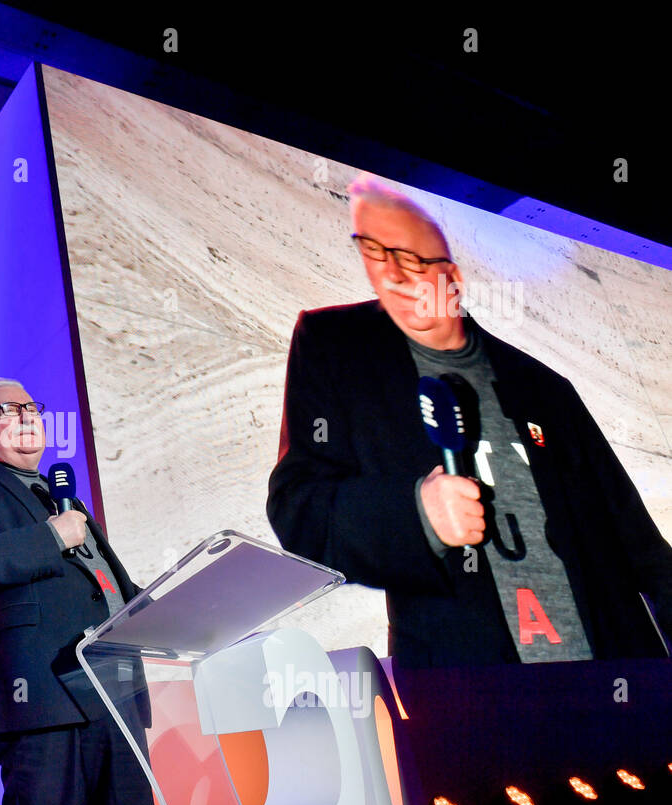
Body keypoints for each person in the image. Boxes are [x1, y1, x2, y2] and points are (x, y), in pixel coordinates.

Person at [267, 174, 672, 669]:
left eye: (413, 258)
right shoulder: (337, 347)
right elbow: (301, 512)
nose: (394, 274)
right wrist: (418, 514)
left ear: (454, 279)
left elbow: (639, 547)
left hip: (608, 674)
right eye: (375, 252)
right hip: (467, 690)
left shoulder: (544, 387)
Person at [0, 377, 159, 805]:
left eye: (34, 407)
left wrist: (168, 607)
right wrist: (50, 537)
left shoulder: (67, 501)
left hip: (114, 693)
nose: (29, 415)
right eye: (11, 409)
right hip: (37, 696)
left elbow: (107, 588)